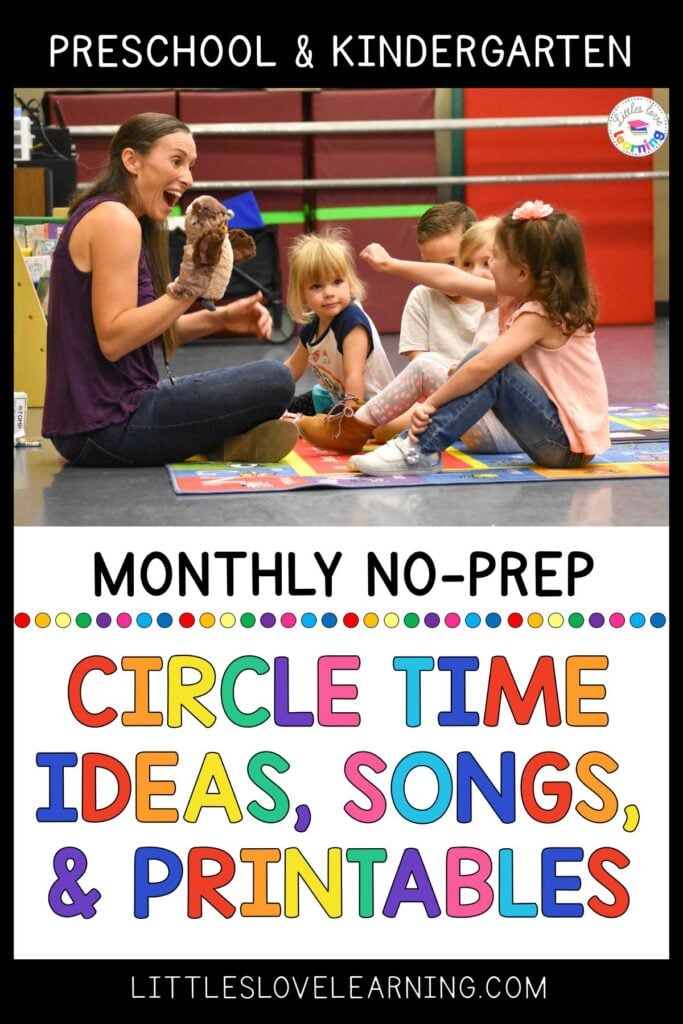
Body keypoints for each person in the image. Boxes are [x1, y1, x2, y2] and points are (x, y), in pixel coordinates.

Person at [41, 112, 296, 467]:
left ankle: (221, 441)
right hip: (107, 427)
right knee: (275, 379)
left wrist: (220, 320)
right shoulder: (115, 219)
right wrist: (188, 287)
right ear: (132, 160)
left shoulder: (110, 215)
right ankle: (220, 437)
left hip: (97, 424)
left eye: (191, 166)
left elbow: (138, 332)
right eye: (176, 161)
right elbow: (114, 339)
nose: (187, 177)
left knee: (261, 380)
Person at [351, 200, 609, 476]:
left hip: (562, 447)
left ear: (522, 272)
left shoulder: (540, 315)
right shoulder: (521, 294)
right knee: (479, 367)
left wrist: (432, 403)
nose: (488, 266)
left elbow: (483, 365)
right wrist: (390, 264)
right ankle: (400, 439)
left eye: (493, 258)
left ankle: (420, 448)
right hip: (550, 437)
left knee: (490, 368)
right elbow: (450, 278)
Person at [299, 216, 519, 454]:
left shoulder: (514, 306)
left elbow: (483, 369)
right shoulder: (439, 300)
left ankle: (350, 425)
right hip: (461, 401)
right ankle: (339, 424)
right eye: (466, 264)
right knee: (384, 420)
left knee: (421, 376)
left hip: (494, 421)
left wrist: (433, 403)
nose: (474, 272)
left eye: (487, 263)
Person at [283, 230, 394, 447]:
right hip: (336, 398)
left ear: (349, 282)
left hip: (366, 404)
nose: (329, 293)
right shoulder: (312, 327)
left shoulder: (352, 322)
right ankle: (284, 420)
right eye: (317, 286)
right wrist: (269, 393)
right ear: (302, 293)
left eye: (337, 282)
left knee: (321, 422)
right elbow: (293, 367)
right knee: (284, 408)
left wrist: (351, 423)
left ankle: (296, 424)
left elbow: (355, 374)